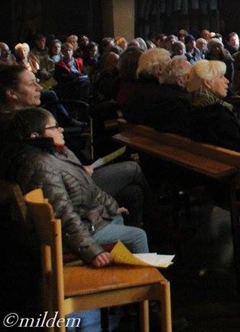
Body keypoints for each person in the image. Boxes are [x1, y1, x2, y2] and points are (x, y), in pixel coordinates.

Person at [8, 107, 148, 265]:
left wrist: (112, 207)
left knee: (120, 212)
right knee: (138, 236)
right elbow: (63, 215)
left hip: (86, 220)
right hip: (74, 236)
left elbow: (90, 186)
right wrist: (92, 250)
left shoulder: (59, 152)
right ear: (35, 136)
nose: (61, 129)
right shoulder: (41, 166)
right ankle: (146, 277)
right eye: (54, 127)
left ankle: (123, 271)